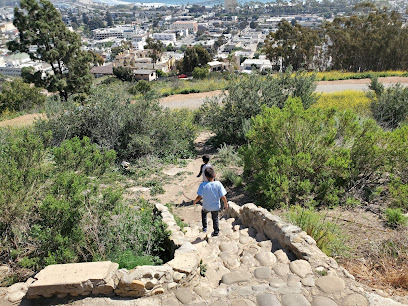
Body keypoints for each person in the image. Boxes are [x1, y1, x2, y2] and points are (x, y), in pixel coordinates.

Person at [193, 167, 228, 237]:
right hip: (216, 207)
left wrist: (195, 201)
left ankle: (205, 227)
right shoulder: (218, 184)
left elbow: (199, 197)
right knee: (215, 218)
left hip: (206, 206)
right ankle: (216, 231)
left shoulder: (203, 185)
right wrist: (225, 204)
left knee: (203, 213)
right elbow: (223, 196)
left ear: (205, 176)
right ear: (214, 175)